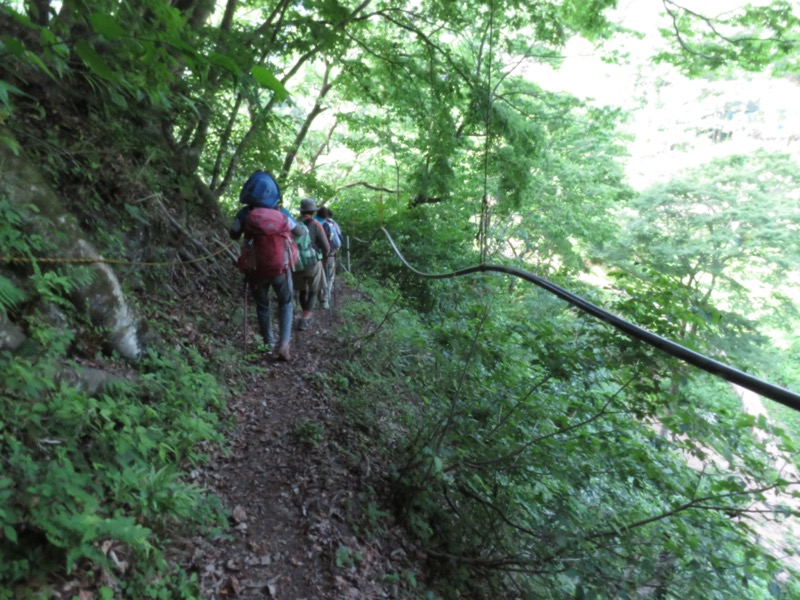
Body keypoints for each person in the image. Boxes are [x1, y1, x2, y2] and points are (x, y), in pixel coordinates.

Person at [230, 171, 303, 361]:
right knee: (286, 303)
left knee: (262, 305)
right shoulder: (281, 212)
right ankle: (284, 345)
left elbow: (233, 234)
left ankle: (268, 343)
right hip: (281, 268)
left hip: (256, 269)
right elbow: (300, 232)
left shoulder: (246, 213)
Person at [293, 198, 330, 330]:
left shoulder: (293, 223)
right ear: (313, 212)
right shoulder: (315, 224)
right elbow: (326, 247)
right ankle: (305, 318)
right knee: (314, 290)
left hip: (296, 262)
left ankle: (305, 315)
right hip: (312, 262)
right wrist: (323, 257)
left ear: (301, 210)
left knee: (302, 290)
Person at [315, 206, 341, 308]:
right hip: (328, 254)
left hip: (313, 255)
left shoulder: (310, 223)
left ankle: (316, 295)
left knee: (316, 275)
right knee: (329, 276)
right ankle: (325, 299)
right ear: (326, 216)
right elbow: (337, 242)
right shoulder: (329, 225)